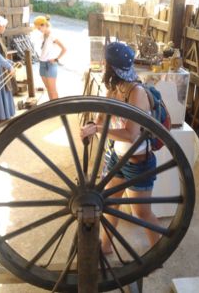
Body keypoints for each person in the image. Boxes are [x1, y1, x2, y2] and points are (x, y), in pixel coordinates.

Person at [80, 42, 160, 253]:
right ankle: (105, 247)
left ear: (109, 66)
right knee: (111, 206)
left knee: (142, 213)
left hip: (137, 162)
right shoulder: (113, 88)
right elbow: (101, 117)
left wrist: (97, 129)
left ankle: (159, 252)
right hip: (117, 157)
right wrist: (92, 125)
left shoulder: (136, 92)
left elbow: (131, 134)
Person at [33, 16, 67, 100]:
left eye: (39, 28)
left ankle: (58, 110)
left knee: (53, 90)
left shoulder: (53, 36)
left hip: (50, 64)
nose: (38, 30)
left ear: (44, 25)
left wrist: (56, 59)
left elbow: (64, 49)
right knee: (48, 89)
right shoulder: (43, 36)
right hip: (42, 64)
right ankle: (52, 110)